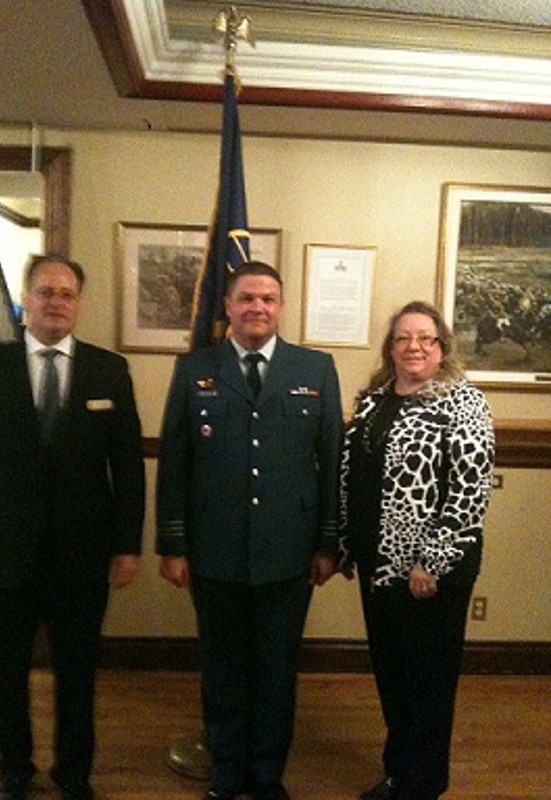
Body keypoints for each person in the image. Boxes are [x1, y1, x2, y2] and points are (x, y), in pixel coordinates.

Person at [0, 254, 146, 800]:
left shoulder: (109, 370)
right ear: (25, 300)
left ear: (78, 303)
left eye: (66, 293)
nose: (55, 301)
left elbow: (128, 466)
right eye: (44, 292)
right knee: (7, 674)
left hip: (83, 558)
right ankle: (12, 772)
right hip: (2, 554)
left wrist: (127, 546)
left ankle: (73, 774)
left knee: (77, 676)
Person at [156, 261, 343, 800]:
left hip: (289, 553)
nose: (257, 307)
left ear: (281, 306)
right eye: (246, 298)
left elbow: (330, 460)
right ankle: (226, 769)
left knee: (276, 670)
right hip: (214, 552)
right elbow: (175, 462)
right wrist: (173, 543)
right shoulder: (196, 368)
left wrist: (327, 542)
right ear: (229, 307)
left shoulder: (315, 368)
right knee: (221, 668)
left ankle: (266, 774)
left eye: (268, 298)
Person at [339, 300, 495, 800]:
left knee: (427, 680)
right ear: (390, 347)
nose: (414, 347)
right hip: (379, 563)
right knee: (393, 674)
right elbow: (354, 476)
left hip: (429, 571)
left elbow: (469, 492)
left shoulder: (462, 402)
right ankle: (398, 772)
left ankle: (422, 783)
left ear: (442, 347)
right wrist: (345, 542)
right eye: (404, 337)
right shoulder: (374, 399)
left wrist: (434, 559)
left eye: (425, 338)